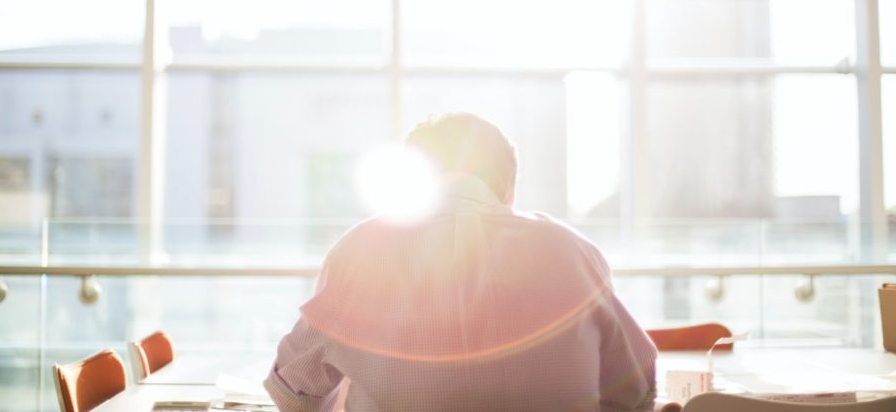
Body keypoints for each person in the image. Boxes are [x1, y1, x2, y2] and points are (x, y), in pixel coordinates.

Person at [265, 112, 657, 411]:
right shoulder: (572, 251)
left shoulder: (361, 250)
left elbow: (294, 390)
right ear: (509, 189)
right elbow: (637, 389)